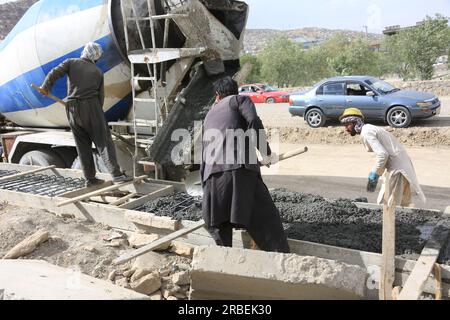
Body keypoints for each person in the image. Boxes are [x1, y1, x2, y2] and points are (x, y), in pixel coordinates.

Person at [201, 76, 290, 253]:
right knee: (267, 220)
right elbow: (253, 123)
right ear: (235, 90)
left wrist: (206, 186)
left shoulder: (209, 114)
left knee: (220, 224)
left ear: (217, 95)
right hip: (238, 171)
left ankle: (226, 265)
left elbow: (207, 150)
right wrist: (266, 153)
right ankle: (282, 262)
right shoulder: (239, 100)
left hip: (212, 178)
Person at [39, 42, 132, 187]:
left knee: (82, 144)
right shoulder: (97, 72)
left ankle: (90, 179)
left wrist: (46, 87)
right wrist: (96, 115)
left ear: (84, 52)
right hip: (91, 106)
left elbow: (54, 72)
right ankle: (116, 175)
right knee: (103, 141)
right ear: (96, 57)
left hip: (71, 108)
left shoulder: (71, 62)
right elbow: (100, 97)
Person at [340, 108, 426, 207]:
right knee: (399, 203)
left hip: (397, 168)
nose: (346, 129)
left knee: (385, 204)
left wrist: (375, 173)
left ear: (356, 122)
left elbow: (382, 154)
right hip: (399, 164)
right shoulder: (369, 128)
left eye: (347, 125)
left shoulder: (366, 132)